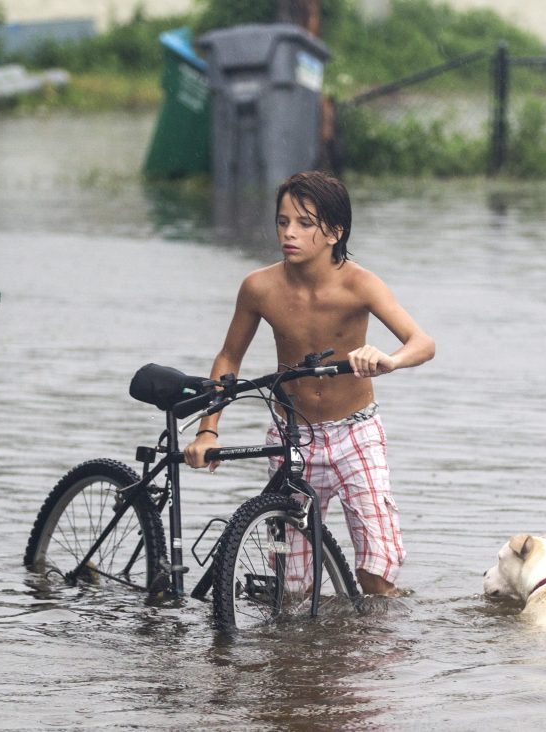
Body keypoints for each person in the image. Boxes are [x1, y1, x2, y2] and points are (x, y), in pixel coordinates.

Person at [184, 171, 435, 596]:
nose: (289, 233)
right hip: (291, 435)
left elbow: (422, 343)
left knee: (376, 575)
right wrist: (208, 430)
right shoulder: (259, 287)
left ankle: (375, 650)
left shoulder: (361, 284)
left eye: (304, 223)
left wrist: (387, 360)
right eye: (283, 222)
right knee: (294, 589)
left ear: (335, 232)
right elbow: (229, 358)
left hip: (356, 433)